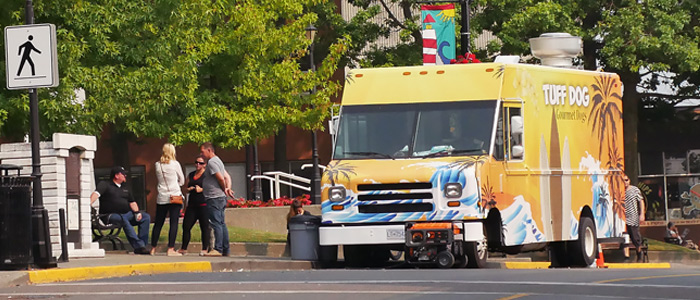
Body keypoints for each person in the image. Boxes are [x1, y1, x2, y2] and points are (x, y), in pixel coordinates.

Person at [90, 166, 151, 255]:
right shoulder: (105, 184)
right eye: (123, 174)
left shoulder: (125, 188)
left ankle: (143, 245)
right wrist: (88, 203)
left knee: (146, 217)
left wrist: (137, 212)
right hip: (109, 215)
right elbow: (96, 194)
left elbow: (132, 202)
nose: (125, 176)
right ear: (116, 176)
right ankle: (138, 246)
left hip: (126, 214)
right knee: (123, 219)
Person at [200, 142, 235, 256]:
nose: (202, 154)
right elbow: (227, 176)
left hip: (214, 197)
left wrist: (224, 188)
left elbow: (221, 178)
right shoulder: (218, 161)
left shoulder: (212, 162)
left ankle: (218, 249)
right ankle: (226, 249)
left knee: (216, 223)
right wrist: (228, 188)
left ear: (209, 150)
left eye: (202, 151)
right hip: (218, 197)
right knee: (221, 223)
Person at [151, 143, 185, 256]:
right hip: (174, 195)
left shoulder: (157, 165)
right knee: (173, 223)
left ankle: (153, 248)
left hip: (162, 196)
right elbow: (182, 180)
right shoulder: (175, 164)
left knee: (158, 223)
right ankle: (170, 248)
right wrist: (177, 185)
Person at [178, 155, 211, 256]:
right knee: (186, 226)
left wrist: (201, 190)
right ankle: (184, 248)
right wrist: (188, 189)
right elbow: (185, 188)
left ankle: (205, 248)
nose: (198, 165)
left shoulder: (207, 175)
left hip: (203, 204)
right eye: (196, 162)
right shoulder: (191, 174)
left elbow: (211, 188)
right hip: (192, 205)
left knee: (204, 227)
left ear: (205, 164)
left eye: (201, 163)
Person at [623, 174, 646, 262]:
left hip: (633, 217)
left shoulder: (634, 189)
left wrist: (642, 214)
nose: (625, 182)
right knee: (625, 237)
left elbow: (641, 201)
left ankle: (639, 254)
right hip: (623, 217)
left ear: (629, 180)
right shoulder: (620, 191)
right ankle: (626, 257)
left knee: (635, 237)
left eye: (626, 180)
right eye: (623, 180)